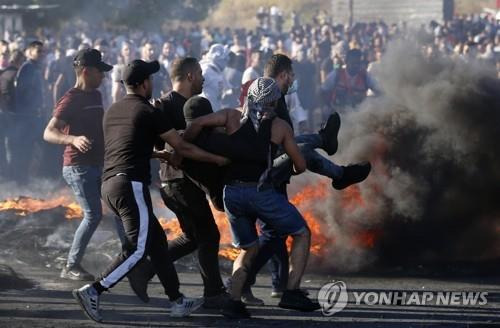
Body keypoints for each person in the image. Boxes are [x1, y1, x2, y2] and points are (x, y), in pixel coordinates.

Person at [71, 59, 229, 322]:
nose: (153, 84)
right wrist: (217, 160)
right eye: (151, 80)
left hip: (109, 184)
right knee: (137, 247)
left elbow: (130, 145)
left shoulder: (112, 110)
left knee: (156, 243)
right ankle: (94, 291)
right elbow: (183, 147)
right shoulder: (149, 110)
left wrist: (158, 155)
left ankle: (177, 301)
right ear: (145, 83)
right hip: (129, 183)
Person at [182, 77, 320, 318]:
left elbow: (197, 122)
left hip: (231, 194)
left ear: (250, 97)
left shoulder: (230, 116)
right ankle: (291, 292)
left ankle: (234, 302)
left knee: (247, 248)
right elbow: (300, 164)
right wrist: (289, 169)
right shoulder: (280, 127)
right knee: (302, 232)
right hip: (260, 193)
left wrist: (185, 145)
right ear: (275, 102)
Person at [152, 57, 228, 308]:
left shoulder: (197, 106)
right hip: (178, 182)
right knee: (208, 236)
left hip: (189, 182)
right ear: (190, 76)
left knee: (194, 237)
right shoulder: (163, 106)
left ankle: (145, 269)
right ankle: (214, 293)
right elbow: (159, 147)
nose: (204, 79)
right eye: (200, 74)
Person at [43, 49, 125, 281]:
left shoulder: (96, 96)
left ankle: (131, 257)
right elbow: (48, 132)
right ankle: (70, 265)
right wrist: (72, 139)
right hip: (78, 167)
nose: (104, 77)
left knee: (119, 208)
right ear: (87, 71)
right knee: (93, 215)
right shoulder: (71, 99)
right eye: (101, 72)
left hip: (99, 164)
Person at [12, 40, 45, 184]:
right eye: (39, 51)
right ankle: (21, 178)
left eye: (43, 52)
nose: (42, 54)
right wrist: (31, 108)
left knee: (31, 147)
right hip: (26, 115)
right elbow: (22, 91)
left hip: (32, 114)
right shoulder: (27, 68)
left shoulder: (35, 67)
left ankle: (25, 177)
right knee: (25, 146)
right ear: (30, 52)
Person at [321, 48, 379, 115]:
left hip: (358, 115)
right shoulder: (336, 74)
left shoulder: (365, 76)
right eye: (353, 63)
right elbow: (322, 91)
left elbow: (380, 91)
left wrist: (372, 103)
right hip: (337, 113)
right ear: (346, 61)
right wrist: (326, 106)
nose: (355, 66)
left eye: (358, 63)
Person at [0, 50, 24, 178]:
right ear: (19, 61)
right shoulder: (16, 75)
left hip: (4, 112)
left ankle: (5, 173)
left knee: (4, 146)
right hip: (11, 115)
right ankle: (11, 174)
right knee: (13, 145)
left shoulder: (3, 73)